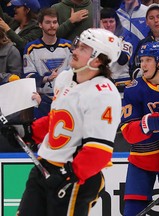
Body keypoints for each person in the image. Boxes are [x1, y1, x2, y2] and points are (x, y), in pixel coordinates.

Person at [15, 28, 122, 215]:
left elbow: (99, 150)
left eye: (83, 49)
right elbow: (57, 119)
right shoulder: (65, 79)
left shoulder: (104, 93)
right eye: (77, 46)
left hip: (75, 177)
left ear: (97, 59)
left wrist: (68, 174)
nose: (74, 51)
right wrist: (29, 132)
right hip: (44, 167)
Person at [121, 41, 159, 216]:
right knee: (132, 211)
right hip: (142, 158)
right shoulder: (133, 89)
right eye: (141, 60)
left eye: (148, 60)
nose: (143, 65)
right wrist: (146, 124)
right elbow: (128, 132)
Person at [23, 8, 72, 119]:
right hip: (41, 100)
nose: (52, 26)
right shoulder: (31, 48)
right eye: (48, 22)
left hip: (65, 100)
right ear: (40, 24)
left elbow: (74, 73)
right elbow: (28, 76)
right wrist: (46, 78)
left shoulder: (68, 47)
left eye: (55, 22)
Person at [100, 7, 133, 94]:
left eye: (111, 21)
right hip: (102, 86)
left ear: (116, 23)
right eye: (105, 22)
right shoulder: (95, 42)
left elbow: (122, 60)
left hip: (122, 87)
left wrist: (110, 40)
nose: (108, 25)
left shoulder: (124, 41)